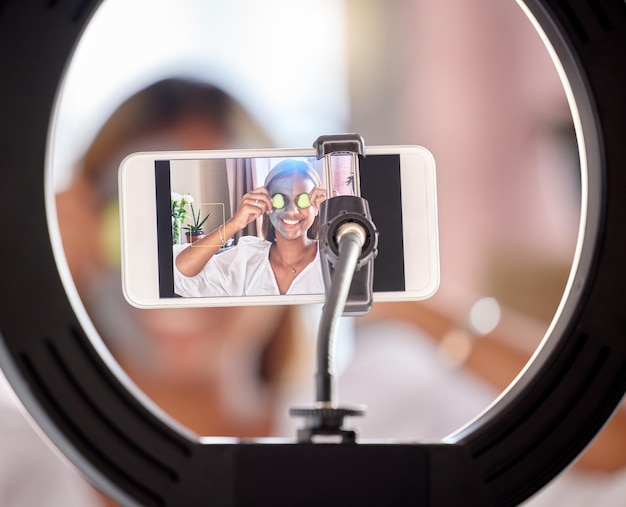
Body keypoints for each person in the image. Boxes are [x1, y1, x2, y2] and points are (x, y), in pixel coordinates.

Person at [174, 158, 328, 297]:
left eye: (303, 200)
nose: (292, 211)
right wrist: (235, 223)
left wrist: (338, 216)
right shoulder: (247, 258)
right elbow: (181, 273)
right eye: (281, 199)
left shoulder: (335, 257)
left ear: (316, 207)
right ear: (267, 204)